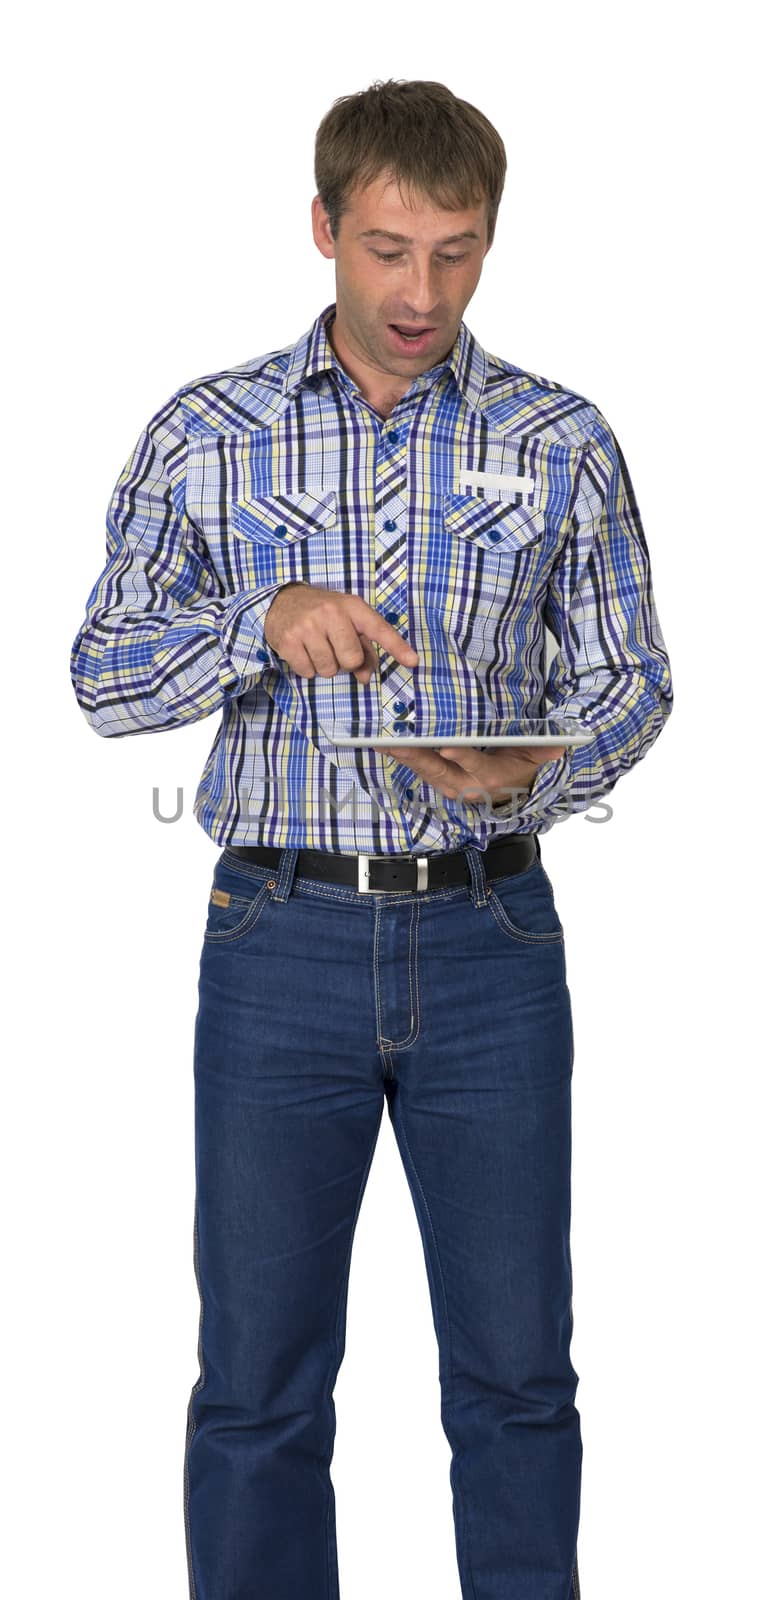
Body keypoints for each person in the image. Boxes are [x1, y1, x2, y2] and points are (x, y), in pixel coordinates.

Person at [70, 77, 673, 1600]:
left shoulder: (559, 437)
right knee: (259, 1382)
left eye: (458, 253)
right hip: (279, 942)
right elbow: (103, 676)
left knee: (517, 1375)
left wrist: (527, 772)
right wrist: (258, 623)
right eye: (391, 250)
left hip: (492, 942)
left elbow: (631, 677)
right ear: (324, 227)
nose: (422, 293)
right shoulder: (207, 433)